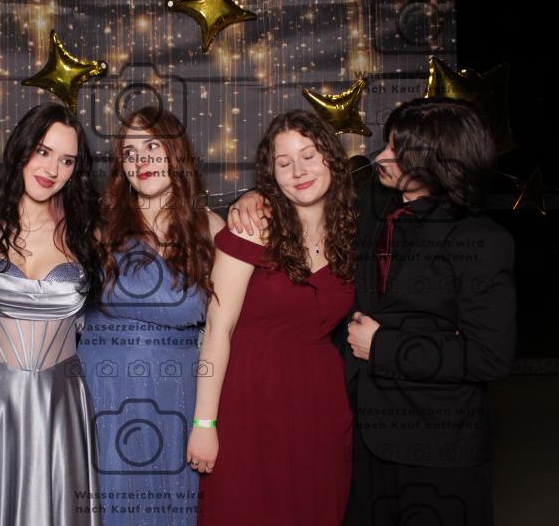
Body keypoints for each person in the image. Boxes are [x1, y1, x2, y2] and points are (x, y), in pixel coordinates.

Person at [229, 97, 516, 525]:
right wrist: (254, 197)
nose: (381, 156)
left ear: (437, 160)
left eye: (397, 151)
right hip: (361, 439)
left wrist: (382, 345)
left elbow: (490, 356)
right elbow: (303, 190)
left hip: (438, 447)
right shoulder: (370, 204)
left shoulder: (481, 240)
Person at [187, 110, 357, 524]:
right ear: (271, 175)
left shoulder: (349, 231)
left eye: (308, 156)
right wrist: (204, 422)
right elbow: (218, 329)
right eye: (284, 163)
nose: (298, 171)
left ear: (331, 159)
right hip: (250, 398)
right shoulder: (251, 226)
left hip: (320, 401)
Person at [0, 102, 103, 525]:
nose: (52, 169)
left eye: (67, 160)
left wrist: (251, 197)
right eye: (43, 152)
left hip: (59, 403)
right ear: (21, 149)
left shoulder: (88, 230)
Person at [77, 107, 225, 525]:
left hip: (176, 399)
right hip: (101, 395)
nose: (140, 161)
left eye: (152, 147)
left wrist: (205, 421)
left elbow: (223, 331)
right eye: (130, 152)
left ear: (177, 152)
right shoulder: (98, 227)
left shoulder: (212, 230)